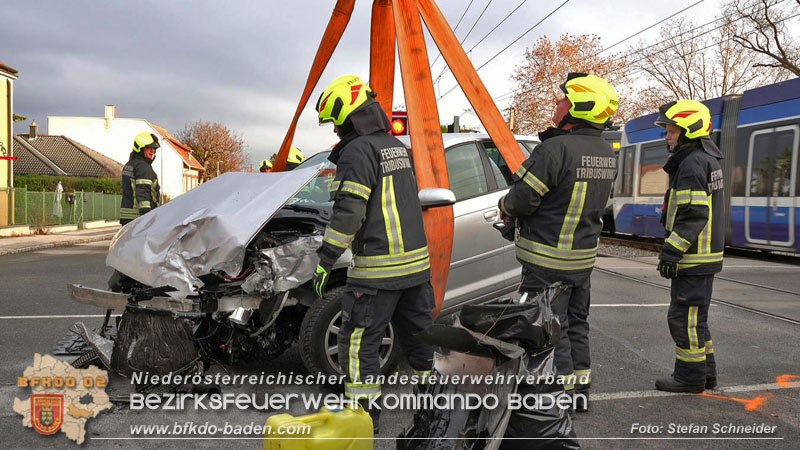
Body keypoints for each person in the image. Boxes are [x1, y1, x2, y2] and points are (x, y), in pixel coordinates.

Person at [311, 75, 434, 434]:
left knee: (358, 345)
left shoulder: (356, 151)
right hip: (416, 270)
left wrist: (326, 259)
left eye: (336, 121)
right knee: (422, 342)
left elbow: (350, 211)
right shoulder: (396, 146)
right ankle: (433, 414)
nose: (335, 130)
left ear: (348, 116)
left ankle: (362, 423)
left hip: (377, 273)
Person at [498, 73, 619, 412]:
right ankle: (579, 393)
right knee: (577, 325)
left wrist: (504, 208)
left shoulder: (554, 149)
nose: (557, 103)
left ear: (577, 108)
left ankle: (554, 400)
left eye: (563, 98)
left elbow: (521, 199)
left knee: (550, 330)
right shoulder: (606, 151)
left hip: (547, 262)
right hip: (582, 262)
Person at [653, 100, 724, 393]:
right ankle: (706, 373)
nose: (667, 137)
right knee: (697, 319)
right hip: (704, 256)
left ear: (688, 131)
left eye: (671, 131)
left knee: (683, 318)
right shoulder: (707, 158)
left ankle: (690, 377)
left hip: (694, 257)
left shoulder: (693, 164)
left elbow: (693, 215)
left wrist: (672, 251)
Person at [120, 132, 160, 225]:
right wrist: (147, 216)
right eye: (149, 148)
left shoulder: (129, 165)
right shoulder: (143, 167)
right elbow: (143, 192)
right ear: (140, 149)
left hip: (127, 217)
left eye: (154, 149)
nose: (152, 151)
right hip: (139, 219)